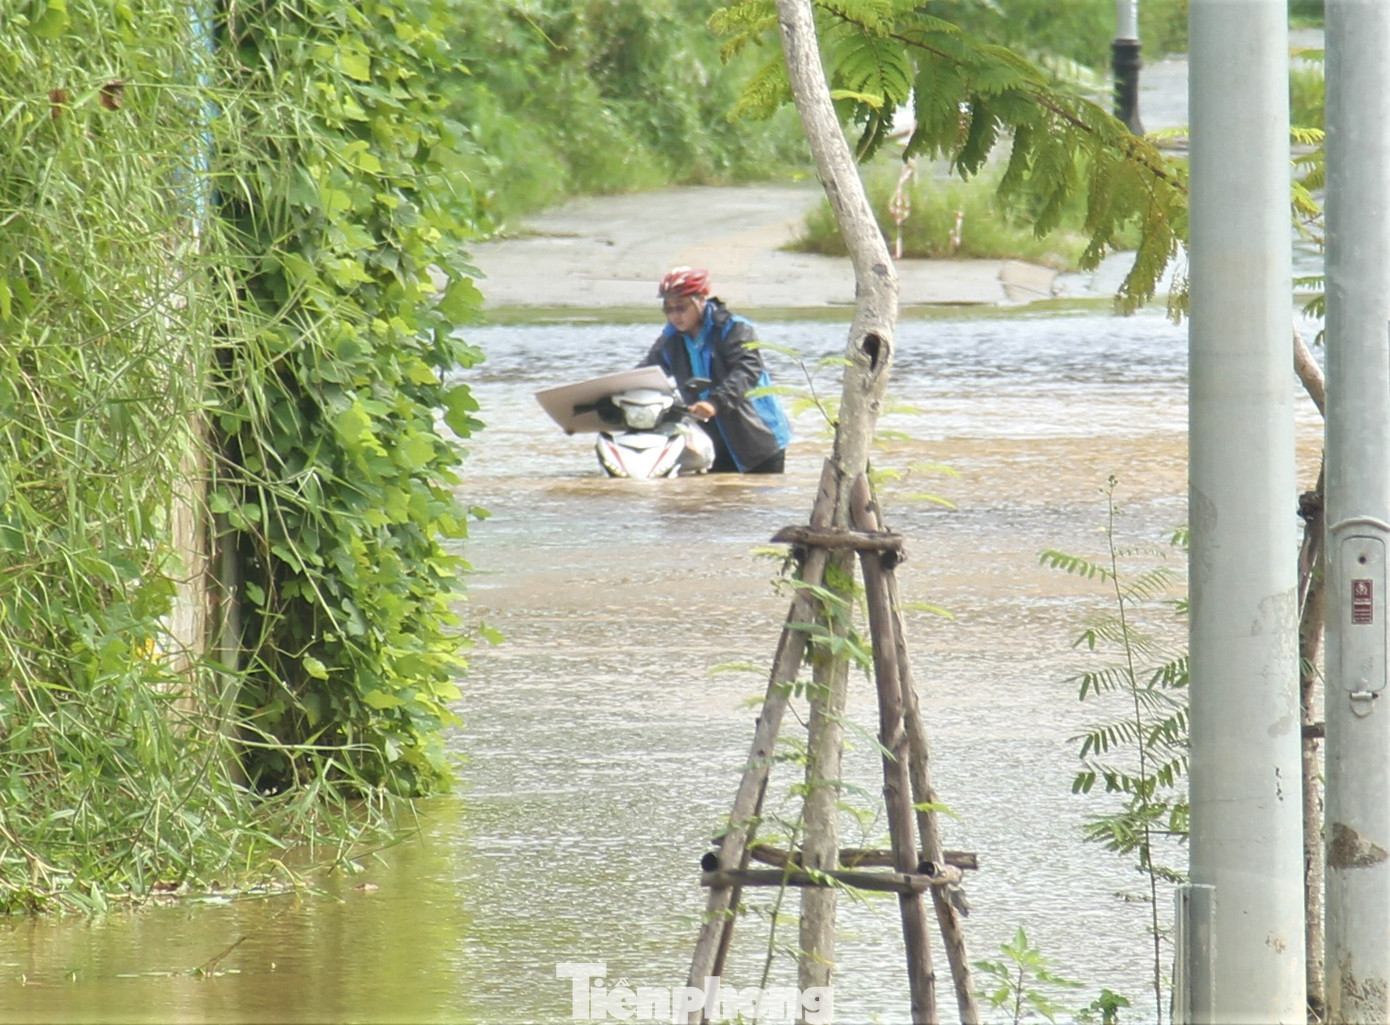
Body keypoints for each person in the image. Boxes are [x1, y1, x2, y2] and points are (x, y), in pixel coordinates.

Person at [639, 267, 792, 474]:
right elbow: (646, 373)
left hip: (758, 437)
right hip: (712, 440)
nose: (675, 315)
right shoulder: (670, 339)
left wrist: (714, 403)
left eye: (681, 307)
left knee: (759, 494)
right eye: (669, 309)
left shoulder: (734, 328)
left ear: (701, 300)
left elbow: (747, 370)